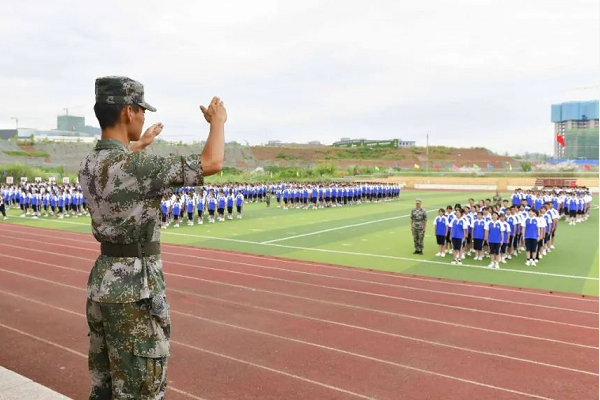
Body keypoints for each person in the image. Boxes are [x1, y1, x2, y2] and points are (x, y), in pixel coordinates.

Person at [79, 76, 225, 399]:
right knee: (142, 390)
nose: (144, 116)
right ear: (128, 112)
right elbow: (212, 162)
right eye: (142, 110)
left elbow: (113, 163)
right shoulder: (139, 168)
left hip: (102, 284)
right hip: (136, 290)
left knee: (103, 388)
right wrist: (218, 122)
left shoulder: (88, 165)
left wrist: (138, 144)